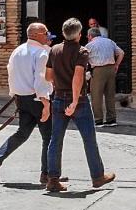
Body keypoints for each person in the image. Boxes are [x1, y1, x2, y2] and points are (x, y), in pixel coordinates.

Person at [42, 18, 116, 194]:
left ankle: (52, 179)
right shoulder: (81, 51)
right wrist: (74, 101)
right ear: (79, 34)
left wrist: (60, 83)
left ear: (63, 33)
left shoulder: (54, 50)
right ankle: (97, 176)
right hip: (79, 100)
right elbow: (78, 77)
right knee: (89, 138)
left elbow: (48, 76)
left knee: (56, 139)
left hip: (58, 98)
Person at [0, 22, 56, 184]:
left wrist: (15, 94)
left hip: (21, 98)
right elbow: (41, 80)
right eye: (45, 32)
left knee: (22, 133)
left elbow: (11, 73)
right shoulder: (41, 54)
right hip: (37, 99)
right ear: (37, 35)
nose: (47, 35)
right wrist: (46, 103)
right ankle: (47, 174)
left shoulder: (17, 51)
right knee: (49, 136)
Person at [85, 25, 124, 125]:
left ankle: (98, 120)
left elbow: (84, 59)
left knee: (96, 95)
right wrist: (117, 65)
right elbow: (121, 53)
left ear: (90, 36)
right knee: (110, 94)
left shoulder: (90, 45)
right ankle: (111, 119)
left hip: (98, 70)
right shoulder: (109, 41)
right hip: (111, 69)